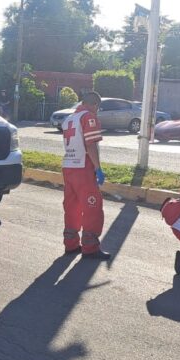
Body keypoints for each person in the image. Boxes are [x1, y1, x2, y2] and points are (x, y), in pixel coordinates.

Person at [60, 91, 111, 260]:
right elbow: (90, 146)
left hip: (68, 167)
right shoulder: (89, 117)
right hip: (84, 169)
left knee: (71, 207)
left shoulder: (69, 119)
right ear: (95, 105)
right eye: (98, 107)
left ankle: (71, 244)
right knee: (92, 207)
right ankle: (90, 247)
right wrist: (98, 168)